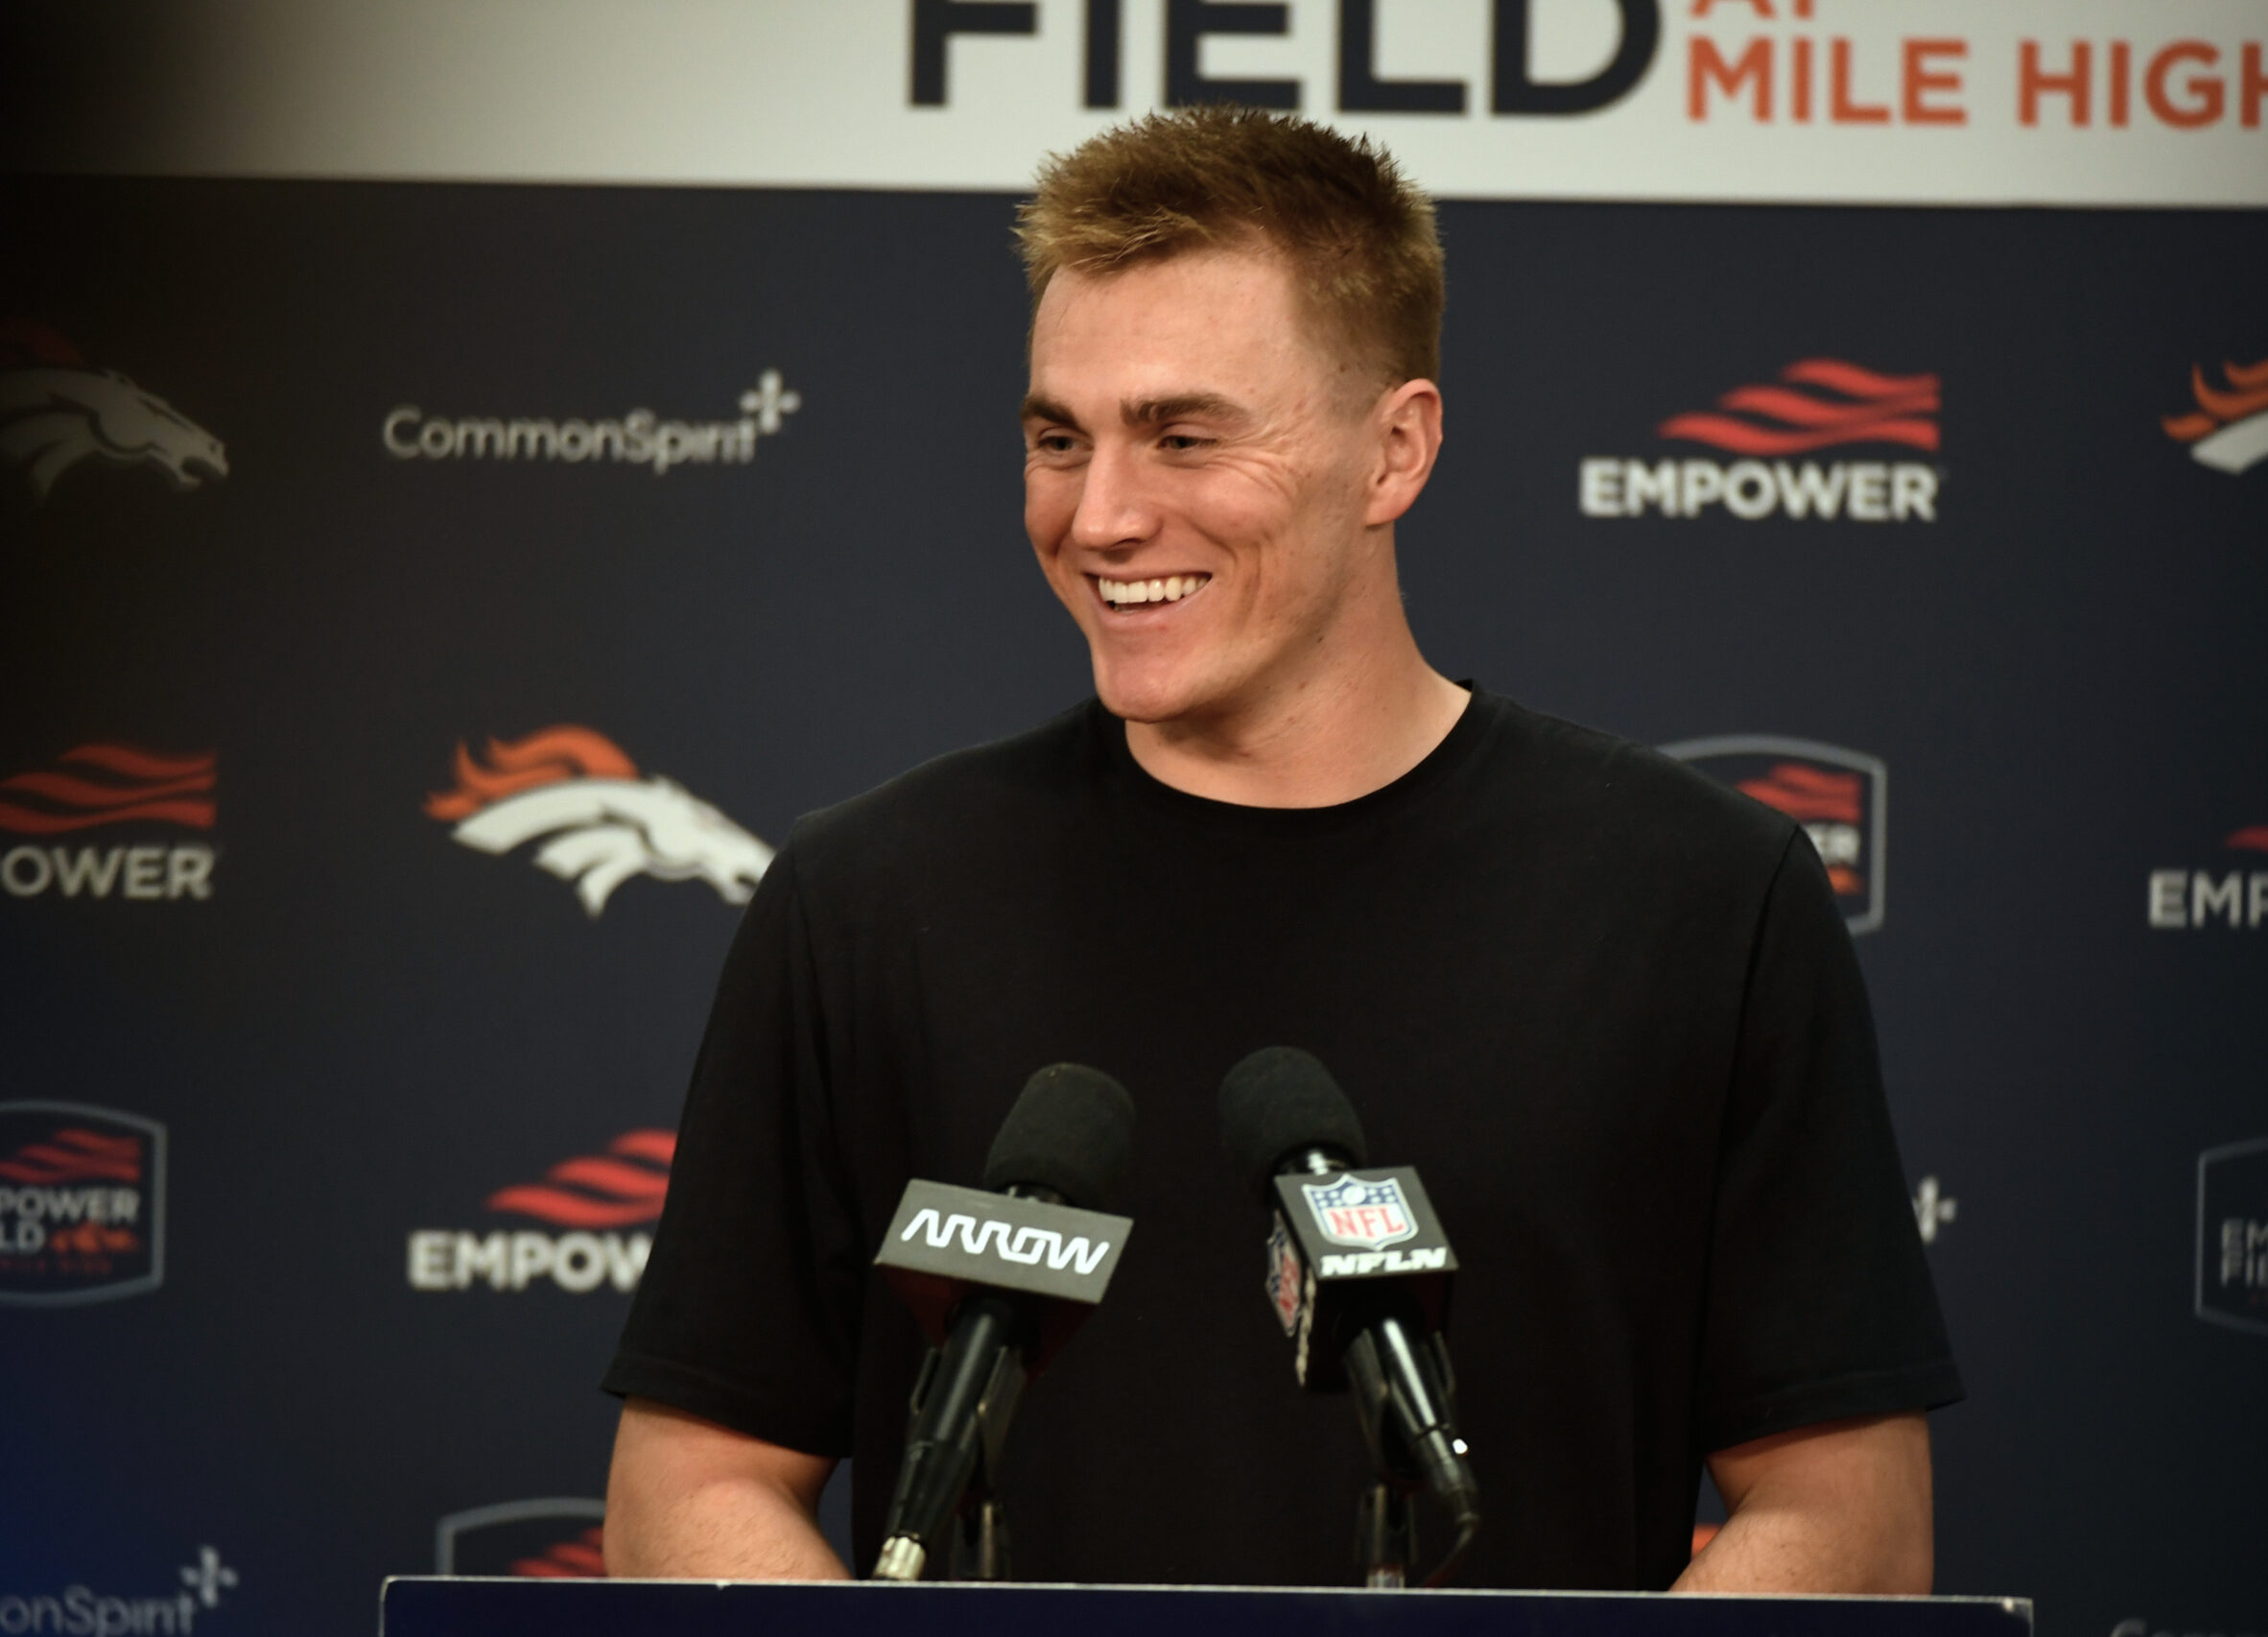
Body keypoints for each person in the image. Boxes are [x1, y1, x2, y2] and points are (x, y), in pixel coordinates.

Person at [600, 106, 1958, 1593]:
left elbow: (1844, 1515)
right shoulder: (864, 901)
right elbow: (693, 1483)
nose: (1102, 516)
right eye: (1059, 440)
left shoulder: (1705, 902)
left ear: (1395, 451)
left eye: (1184, 436)